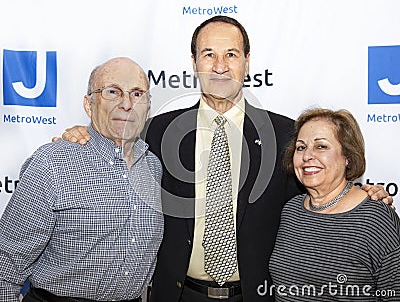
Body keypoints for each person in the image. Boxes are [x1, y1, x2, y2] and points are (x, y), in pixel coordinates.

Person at [58, 16, 391, 302]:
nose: (219, 65)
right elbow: (111, 161)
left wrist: (364, 197)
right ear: (194, 63)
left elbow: (319, 196)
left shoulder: (286, 134)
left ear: (247, 61)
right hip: (176, 294)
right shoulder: (157, 131)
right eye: (209, 54)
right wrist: (82, 136)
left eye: (231, 54)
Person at [0, 57, 164, 302]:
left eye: (137, 93)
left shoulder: (153, 166)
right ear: (89, 104)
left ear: (148, 106)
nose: (127, 103)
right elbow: (6, 265)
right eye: (113, 92)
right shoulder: (52, 163)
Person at [269, 108, 400, 301]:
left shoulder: (375, 219)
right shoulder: (291, 211)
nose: (307, 156)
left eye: (321, 146)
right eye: (301, 147)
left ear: (347, 156)